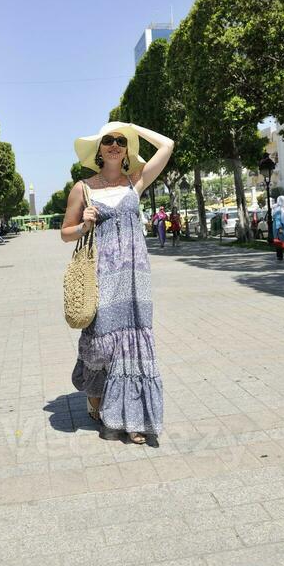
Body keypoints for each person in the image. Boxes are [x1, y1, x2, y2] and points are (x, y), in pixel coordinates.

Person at [62, 120, 173, 444]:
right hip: (101, 275)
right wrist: (83, 225)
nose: (114, 145)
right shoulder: (83, 188)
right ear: (99, 149)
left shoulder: (134, 182)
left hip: (135, 276)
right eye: (108, 140)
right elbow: (65, 233)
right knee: (100, 344)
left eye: (121, 141)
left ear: (127, 151)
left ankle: (134, 419)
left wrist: (133, 127)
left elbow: (167, 145)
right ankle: (96, 392)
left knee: (133, 349)